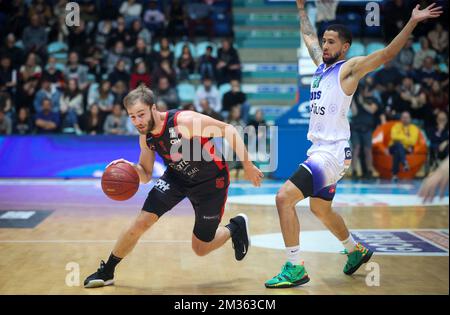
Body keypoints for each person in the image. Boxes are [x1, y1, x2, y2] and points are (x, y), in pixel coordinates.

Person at [265, 0, 442, 289]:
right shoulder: (321, 68)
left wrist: (412, 22)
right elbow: (309, 36)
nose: (324, 45)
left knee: (284, 198)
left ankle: (295, 267)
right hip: (326, 152)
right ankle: (354, 250)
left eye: (331, 42)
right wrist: (300, 9)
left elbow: (387, 54)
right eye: (325, 41)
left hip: (330, 154)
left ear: (345, 47)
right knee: (320, 209)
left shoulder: (349, 69)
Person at [84, 85, 263, 288]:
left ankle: (235, 227)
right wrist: (130, 168)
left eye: (141, 114)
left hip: (211, 183)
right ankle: (107, 271)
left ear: (153, 108)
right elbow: (145, 174)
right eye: (132, 117)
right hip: (176, 178)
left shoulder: (183, 122)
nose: (137, 122)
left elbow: (228, 129)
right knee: (141, 222)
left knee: (201, 248)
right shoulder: (146, 136)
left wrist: (247, 165)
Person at [389, 111, 420, 180]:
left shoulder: (414, 128)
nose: (405, 119)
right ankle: (404, 163)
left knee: (397, 151)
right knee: (398, 145)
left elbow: (413, 141)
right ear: (401, 119)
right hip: (393, 147)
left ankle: (394, 174)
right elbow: (394, 137)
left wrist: (400, 139)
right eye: (403, 117)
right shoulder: (396, 126)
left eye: (407, 117)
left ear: (410, 119)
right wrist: (406, 140)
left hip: (405, 149)